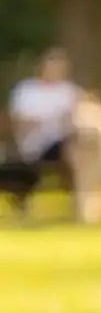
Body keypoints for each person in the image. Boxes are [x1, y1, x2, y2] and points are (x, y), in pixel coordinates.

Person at [2, 47, 82, 203]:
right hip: (35, 143)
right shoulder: (26, 91)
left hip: (67, 141)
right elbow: (19, 120)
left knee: (77, 147)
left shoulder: (71, 92)